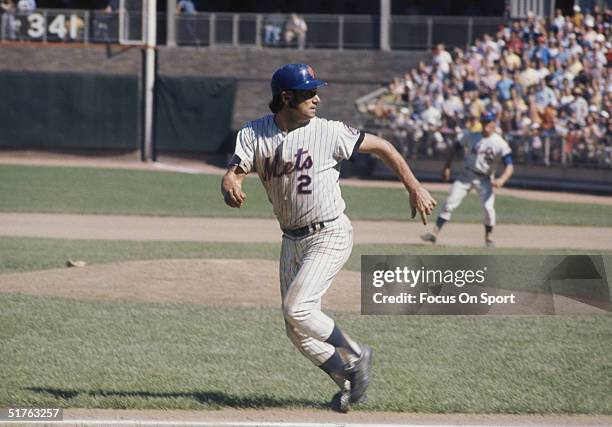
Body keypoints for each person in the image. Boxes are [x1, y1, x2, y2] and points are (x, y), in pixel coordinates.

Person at [221, 63, 436, 413]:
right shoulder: (254, 132)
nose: (317, 98)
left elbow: (384, 147)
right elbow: (237, 170)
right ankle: (348, 382)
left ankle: (356, 353)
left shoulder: (330, 131)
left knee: (297, 309)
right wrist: (231, 180)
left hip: (329, 232)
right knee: (297, 330)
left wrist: (414, 187)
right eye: (309, 93)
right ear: (286, 97)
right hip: (291, 240)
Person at [420, 111, 514, 247]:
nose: (486, 124)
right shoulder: (471, 136)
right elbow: (455, 147)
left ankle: (488, 237)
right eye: (484, 121)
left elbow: (509, 166)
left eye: (489, 121)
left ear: (494, 123)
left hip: (485, 178)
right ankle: (434, 234)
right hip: (466, 175)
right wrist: (447, 166)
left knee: (488, 209)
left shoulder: (500, 143)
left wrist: (502, 180)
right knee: (449, 202)